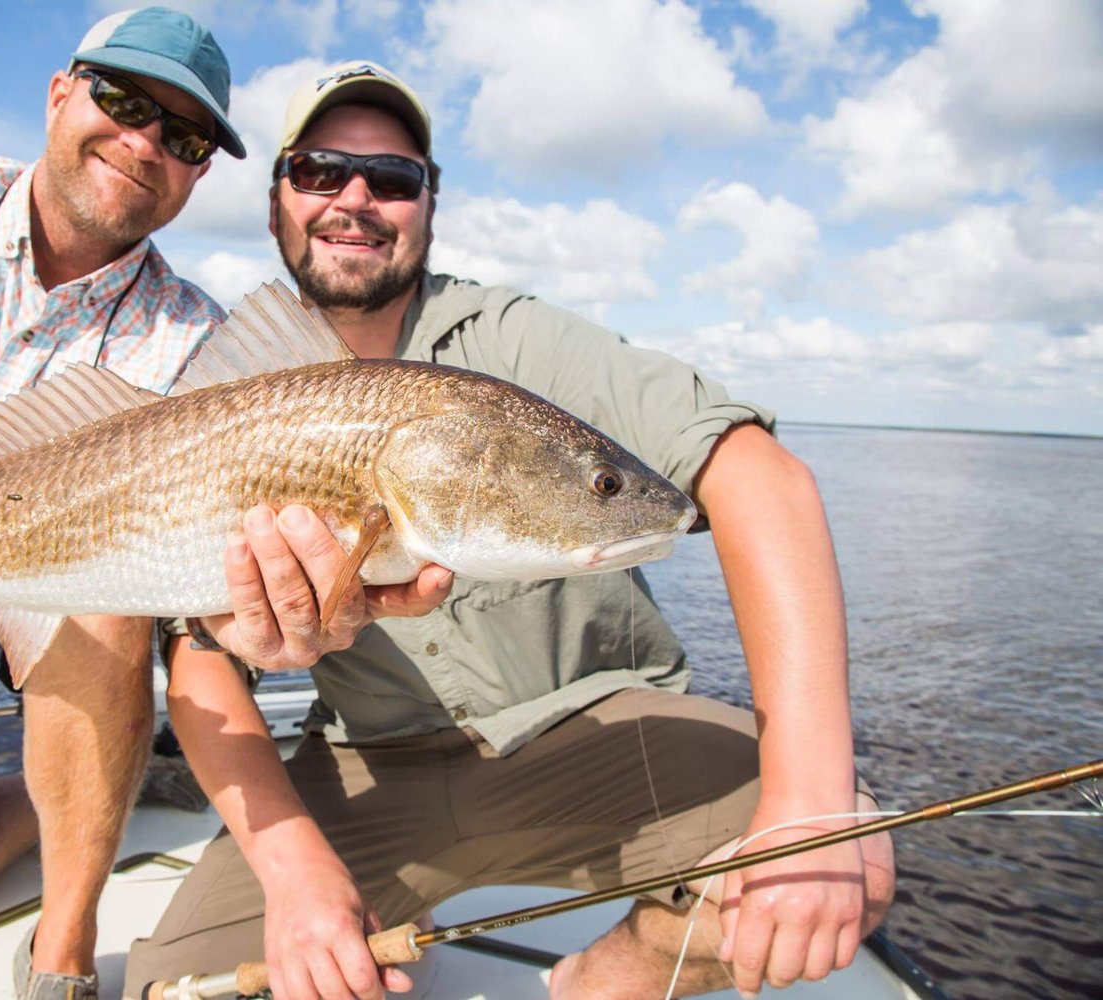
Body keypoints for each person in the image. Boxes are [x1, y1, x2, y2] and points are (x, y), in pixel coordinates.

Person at [124, 62, 896, 1000]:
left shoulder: (516, 341)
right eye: (321, 172)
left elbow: (757, 476)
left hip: (597, 737)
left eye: (395, 180)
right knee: (174, 988)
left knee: (844, 857)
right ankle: (390, 902)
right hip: (372, 765)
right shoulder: (222, 396)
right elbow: (202, 652)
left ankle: (608, 972)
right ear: (278, 198)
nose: (356, 200)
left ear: (429, 205)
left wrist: (809, 800)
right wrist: (298, 879)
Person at [0, 12, 447, 1000]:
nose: (144, 143)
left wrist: (272, 619)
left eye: (182, 138)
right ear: (59, 95)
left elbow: (192, 562)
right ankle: (124, 780)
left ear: (198, 174)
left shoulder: (192, 336)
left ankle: (64, 943)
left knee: (103, 581)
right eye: (125, 104)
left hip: (72, 575)